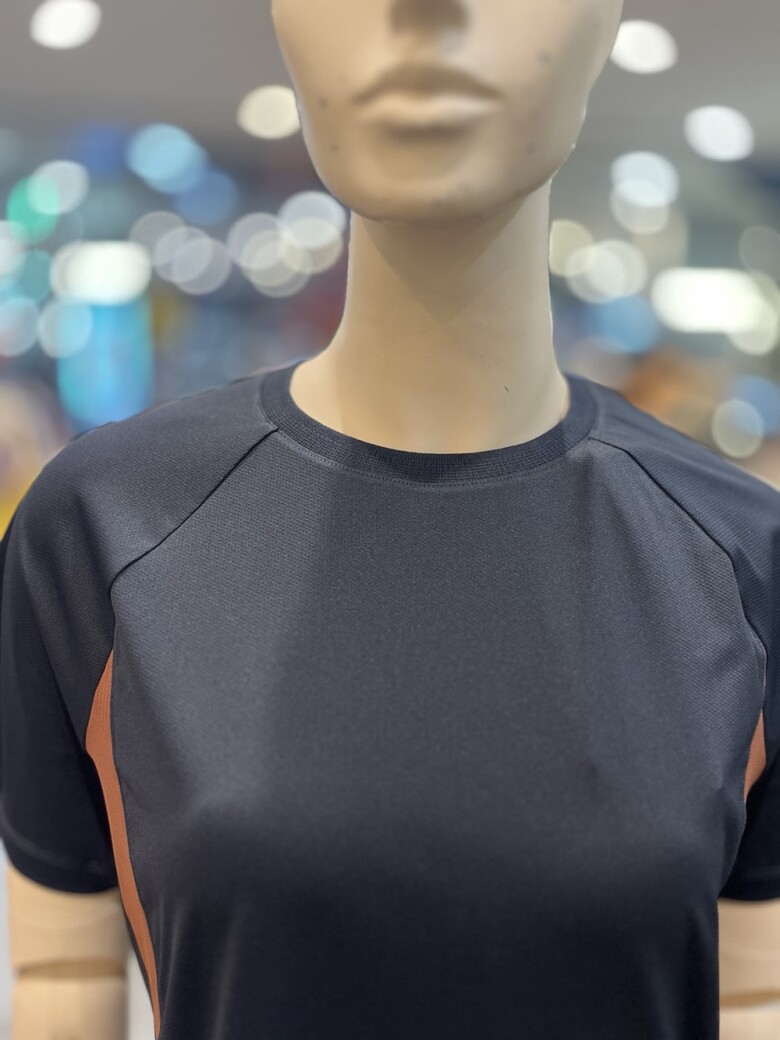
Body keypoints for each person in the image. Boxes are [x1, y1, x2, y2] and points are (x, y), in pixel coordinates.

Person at [2, 1, 780, 1037]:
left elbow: (754, 993)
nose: (424, 4)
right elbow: (64, 974)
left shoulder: (741, 558)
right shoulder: (101, 528)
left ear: (606, 23)